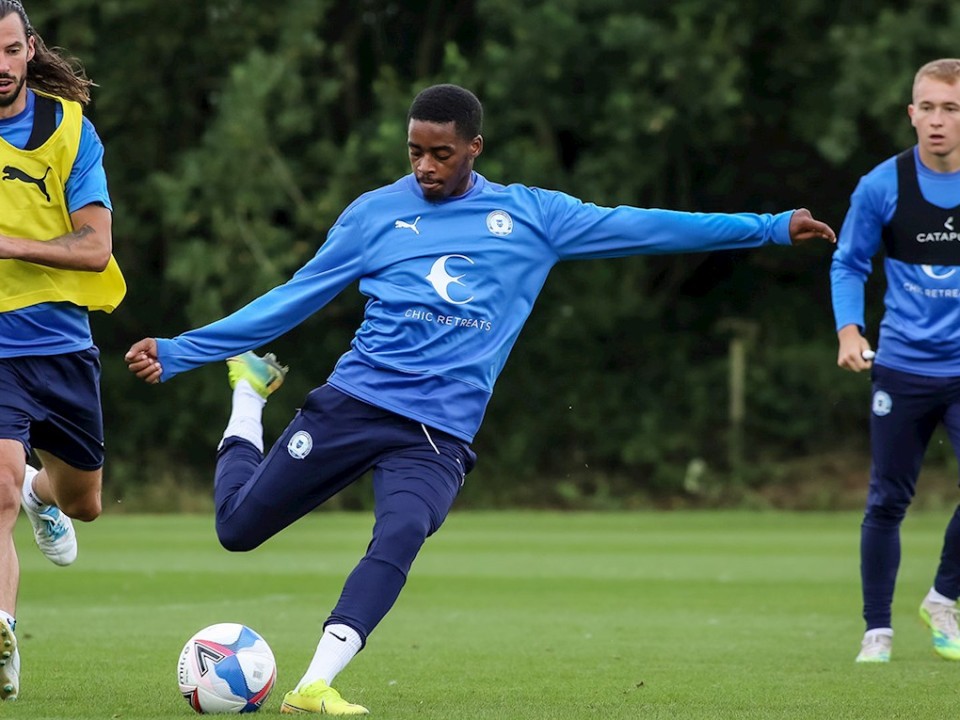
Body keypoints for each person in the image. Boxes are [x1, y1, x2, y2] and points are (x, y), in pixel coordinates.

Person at [126, 83, 835, 715]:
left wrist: (769, 226)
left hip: (436, 433)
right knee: (238, 530)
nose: (425, 167)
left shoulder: (533, 216)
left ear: (474, 148)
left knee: (403, 531)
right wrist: (184, 350)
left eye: (441, 154)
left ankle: (314, 685)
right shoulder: (374, 215)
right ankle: (249, 396)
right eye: (415, 152)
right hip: (355, 401)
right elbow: (293, 297)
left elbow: (647, 224)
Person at [0, 0, 125, 701]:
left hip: (60, 343)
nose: (0, 65)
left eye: (10, 50)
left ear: (29, 48)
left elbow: (95, 247)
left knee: (84, 503)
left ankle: (42, 493)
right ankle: (2, 637)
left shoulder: (68, 129)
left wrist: (10, 245)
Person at [832, 58, 960, 664]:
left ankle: (943, 598)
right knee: (887, 501)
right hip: (903, 366)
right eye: (927, 108)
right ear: (911, 114)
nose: (938, 120)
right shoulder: (882, 185)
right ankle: (876, 631)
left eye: (951, 109)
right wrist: (849, 331)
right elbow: (849, 262)